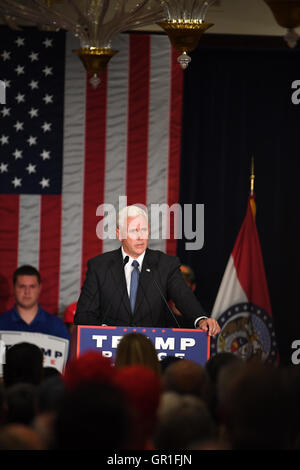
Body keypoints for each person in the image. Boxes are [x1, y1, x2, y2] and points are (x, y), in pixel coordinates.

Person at [74, 205, 220, 335]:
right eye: (133, 230)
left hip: (153, 351)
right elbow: (84, 315)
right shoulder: (100, 266)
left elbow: (183, 296)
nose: (140, 236)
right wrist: (104, 330)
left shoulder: (165, 264)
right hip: (111, 352)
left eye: (143, 229)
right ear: (119, 235)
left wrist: (201, 319)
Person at [0, 265, 70, 342]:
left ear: (40, 288)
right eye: (22, 286)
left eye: (32, 287)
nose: (27, 292)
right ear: (14, 288)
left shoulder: (56, 326)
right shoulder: (1, 324)